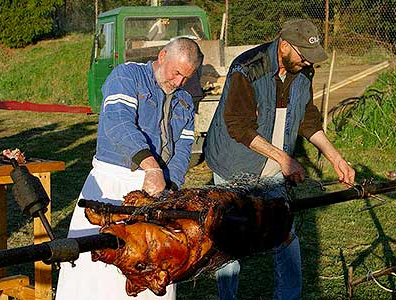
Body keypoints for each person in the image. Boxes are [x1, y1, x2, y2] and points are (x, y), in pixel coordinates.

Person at [203, 19, 355, 300]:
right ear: (284, 45)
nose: (308, 63)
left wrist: (336, 157)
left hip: (273, 163)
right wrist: (284, 158)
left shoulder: (303, 71)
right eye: (303, 55)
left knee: (284, 232)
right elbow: (237, 126)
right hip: (233, 160)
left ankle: (289, 296)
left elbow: (307, 119)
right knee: (231, 237)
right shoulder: (247, 69)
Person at [55, 37, 203, 300]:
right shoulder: (127, 76)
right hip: (112, 185)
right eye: (176, 73)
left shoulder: (185, 100)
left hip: (158, 191)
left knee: (155, 267)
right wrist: (151, 167)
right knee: (100, 269)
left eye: (186, 77)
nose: (179, 82)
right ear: (161, 56)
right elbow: (118, 123)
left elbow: (183, 146)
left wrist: (170, 186)